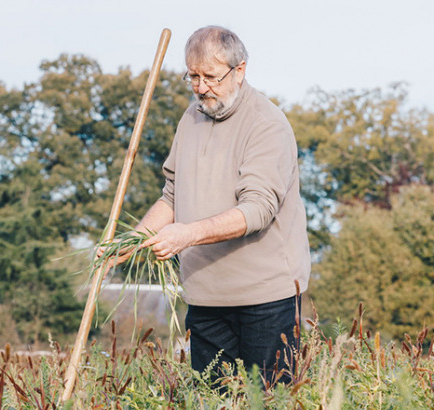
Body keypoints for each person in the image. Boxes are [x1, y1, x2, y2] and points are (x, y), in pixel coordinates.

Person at [114, 26, 311, 385]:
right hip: (204, 298)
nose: (201, 87)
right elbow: (173, 196)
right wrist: (129, 243)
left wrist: (187, 235)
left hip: (264, 299)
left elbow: (258, 210)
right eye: (193, 76)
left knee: (267, 405)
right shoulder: (190, 119)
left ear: (240, 71)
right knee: (210, 404)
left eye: (211, 77)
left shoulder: (266, 125)